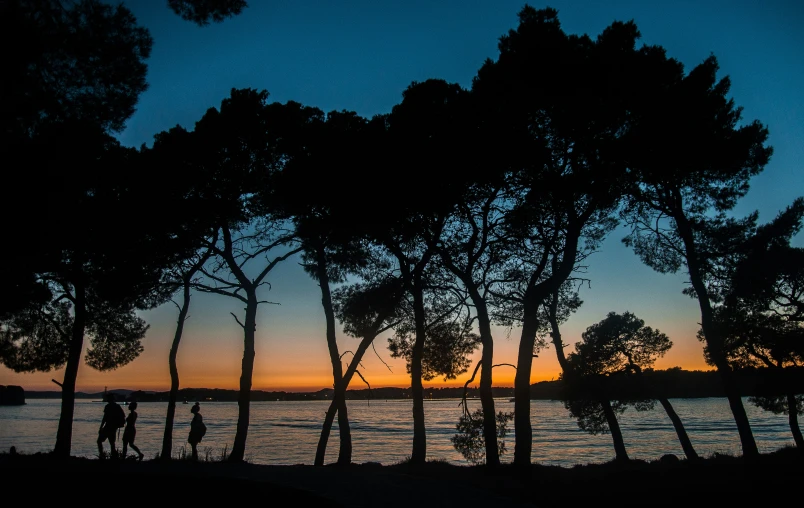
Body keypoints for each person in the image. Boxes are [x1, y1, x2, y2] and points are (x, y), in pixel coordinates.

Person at [97, 393, 123, 459]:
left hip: (108, 426)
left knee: (99, 441)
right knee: (112, 442)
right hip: (114, 427)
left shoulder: (108, 406)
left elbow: (105, 418)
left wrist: (101, 427)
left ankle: (102, 455)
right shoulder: (117, 406)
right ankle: (113, 456)